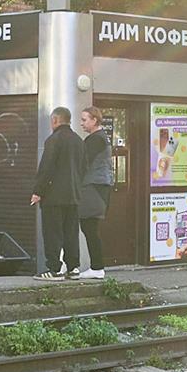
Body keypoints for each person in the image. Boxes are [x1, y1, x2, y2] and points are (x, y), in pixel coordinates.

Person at [30, 105, 82, 278]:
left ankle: (54, 268)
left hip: (54, 197)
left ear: (55, 120)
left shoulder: (53, 140)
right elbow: (84, 168)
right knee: (71, 233)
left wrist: (38, 191)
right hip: (73, 196)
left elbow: (47, 168)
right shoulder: (78, 140)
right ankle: (73, 268)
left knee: (53, 233)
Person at [76, 105, 114, 279]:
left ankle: (97, 267)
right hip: (98, 187)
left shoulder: (95, 140)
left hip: (94, 187)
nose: (81, 123)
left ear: (94, 120)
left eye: (84, 120)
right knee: (89, 227)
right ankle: (96, 267)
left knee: (89, 226)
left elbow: (82, 163)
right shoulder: (100, 138)